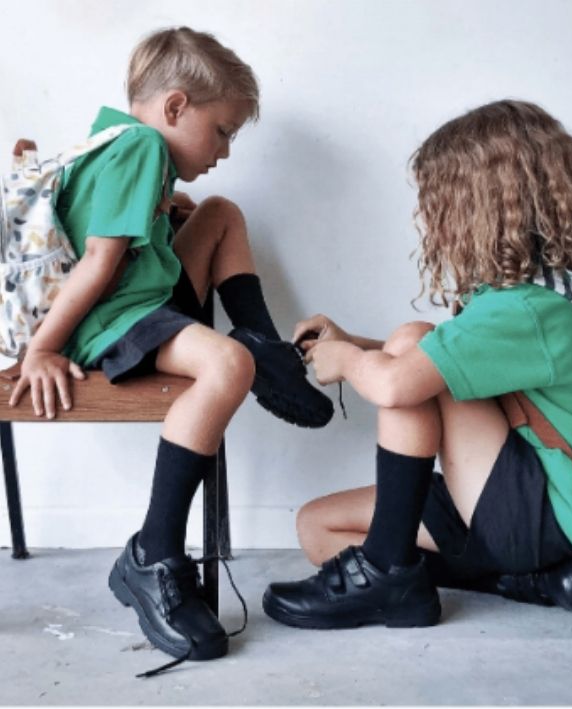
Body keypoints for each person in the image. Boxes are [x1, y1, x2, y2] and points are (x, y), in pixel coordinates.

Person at [8, 26, 333, 668]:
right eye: (223, 131)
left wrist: (163, 211)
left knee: (220, 213)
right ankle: (152, 554)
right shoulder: (140, 150)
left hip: (142, 301)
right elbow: (98, 266)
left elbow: (115, 242)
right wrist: (42, 349)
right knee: (226, 363)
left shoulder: (120, 144)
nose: (226, 149)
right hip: (115, 320)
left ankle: (265, 347)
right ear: (176, 108)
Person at [263, 100, 572, 630]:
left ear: (479, 208)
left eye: (437, 203)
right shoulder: (508, 298)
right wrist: (353, 342)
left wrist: (349, 361)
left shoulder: (530, 312)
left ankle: (385, 569)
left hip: (545, 511)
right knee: (318, 530)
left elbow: (401, 383)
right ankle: (515, 579)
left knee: (412, 340)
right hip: (510, 502)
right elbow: (435, 367)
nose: (427, 219)